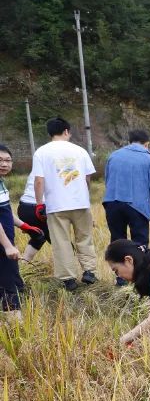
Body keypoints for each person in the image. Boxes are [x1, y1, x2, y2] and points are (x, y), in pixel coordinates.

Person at [31, 117, 98, 291]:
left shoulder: (41, 152)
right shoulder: (80, 151)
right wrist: (85, 194)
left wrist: (39, 203)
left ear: (49, 133)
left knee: (61, 241)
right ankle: (89, 271)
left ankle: (69, 279)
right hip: (81, 203)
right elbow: (87, 178)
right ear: (67, 131)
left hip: (56, 205)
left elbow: (39, 181)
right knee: (85, 238)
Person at [102, 129, 150, 255]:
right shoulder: (148, 159)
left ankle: (120, 274)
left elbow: (107, 180)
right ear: (146, 144)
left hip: (112, 204)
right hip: (137, 207)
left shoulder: (114, 156)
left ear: (130, 142)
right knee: (139, 244)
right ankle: (138, 273)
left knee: (117, 242)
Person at [0, 144, 44, 320]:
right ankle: (17, 331)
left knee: (14, 281)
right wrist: (8, 246)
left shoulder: (2, 183)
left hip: (5, 242)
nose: (4, 164)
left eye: (8, 160)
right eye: (0, 160)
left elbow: (5, 211)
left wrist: (24, 225)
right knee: (9, 284)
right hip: (3, 244)